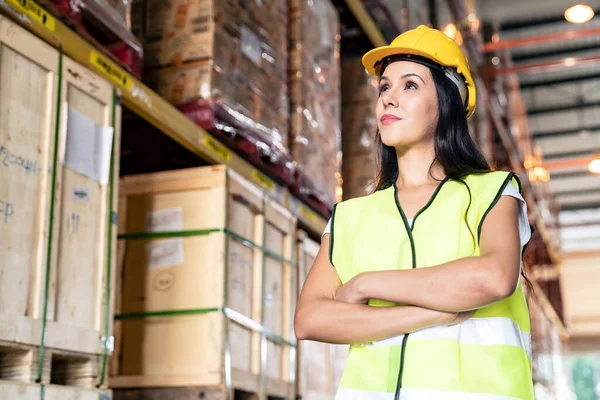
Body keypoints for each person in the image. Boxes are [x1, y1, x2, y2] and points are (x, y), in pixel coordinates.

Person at [294, 25, 534, 400]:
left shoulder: (491, 192)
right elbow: (310, 320)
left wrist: (363, 285)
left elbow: (492, 279)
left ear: (446, 102)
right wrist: (429, 313)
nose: (389, 99)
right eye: (384, 87)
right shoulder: (350, 217)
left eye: (410, 85)